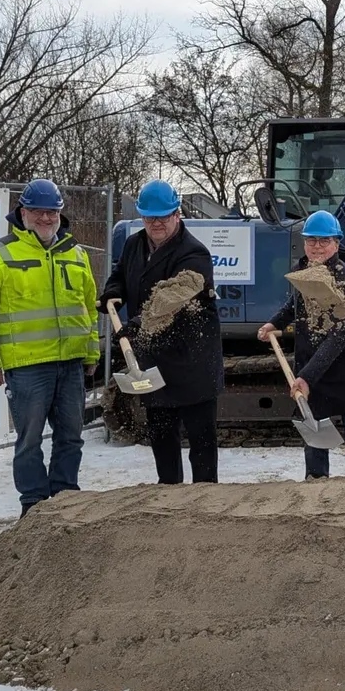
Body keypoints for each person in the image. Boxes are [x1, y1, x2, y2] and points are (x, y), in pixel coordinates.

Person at [0, 178, 100, 516]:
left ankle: (66, 496)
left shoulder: (76, 252)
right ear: (22, 212)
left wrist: (92, 352)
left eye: (52, 211)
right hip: (26, 367)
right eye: (38, 211)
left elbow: (88, 306)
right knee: (29, 442)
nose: (45, 218)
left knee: (71, 435)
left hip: (70, 363)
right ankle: (34, 505)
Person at [101, 180, 224, 485]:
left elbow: (170, 302)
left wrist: (135, 325)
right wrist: (112, 292)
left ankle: (206, 500)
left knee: (201, 443)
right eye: (148, 217)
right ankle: (169, 495)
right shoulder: (134, 245)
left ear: (177, 214)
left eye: (163, 216)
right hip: (153, 360)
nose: (155, 223)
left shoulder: (194, 254)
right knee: (162, 438)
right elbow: (120, 273)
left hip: (192, 360)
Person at [258, 210, 345, 479]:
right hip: (313, 364)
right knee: (314, 433)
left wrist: (306, 376)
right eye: (312, 241)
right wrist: (274, 323)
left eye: (324, 241)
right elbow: (294, 304)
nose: (317, 247)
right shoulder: (305, 271)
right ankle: (316, 484)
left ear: (337, 243)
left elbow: (338, 337)